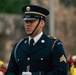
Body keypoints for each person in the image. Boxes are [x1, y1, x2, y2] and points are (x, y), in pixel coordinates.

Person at [5, 5, 68, 75]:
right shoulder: (19, 46)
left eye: (31, 21)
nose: (28, 25)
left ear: (42, 23)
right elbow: (10, 71)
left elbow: (61, 72)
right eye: (26, 21)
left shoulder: (53, 45)